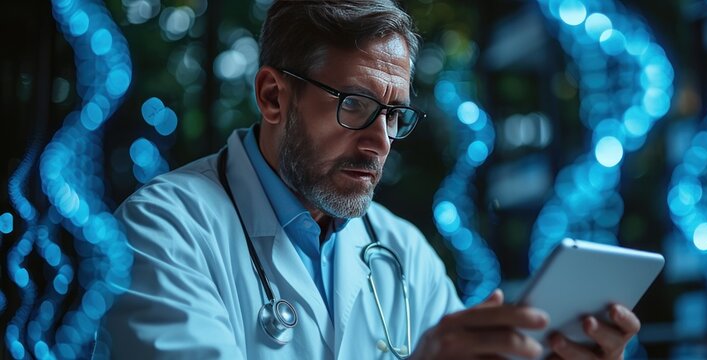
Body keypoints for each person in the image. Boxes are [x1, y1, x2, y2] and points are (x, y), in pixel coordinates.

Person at [101, 0, 641, 358]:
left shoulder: (404, 252)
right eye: (355, 104)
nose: (380, 139)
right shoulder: (162, 230)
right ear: (272, 97)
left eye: (393, 114)